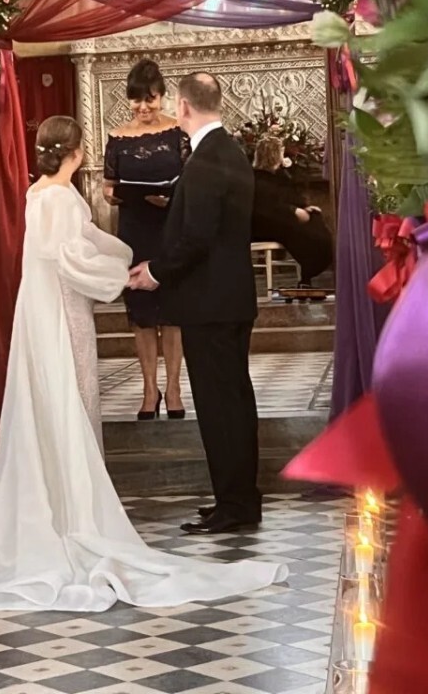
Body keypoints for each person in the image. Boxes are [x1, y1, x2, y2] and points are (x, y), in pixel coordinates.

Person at [0, 116, 286, 611]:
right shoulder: (58, 198)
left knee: (55, 405)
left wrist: (120, 260)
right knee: (72, 400)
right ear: (77, 154)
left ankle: (57, 504)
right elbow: (71, 259)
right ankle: (75, 514)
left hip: (41, 310)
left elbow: (75, 248)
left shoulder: (38, 194)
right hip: (61, 311)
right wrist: (120, 277)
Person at [130, 74, 262, 535]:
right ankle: (239, 499)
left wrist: (155, 272)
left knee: (221, 406)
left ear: (183, 106)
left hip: (210, 303)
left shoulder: (207, 159)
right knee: (234, 402)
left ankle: (235, 505)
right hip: (228, 299)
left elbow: (196, 237)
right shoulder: (230, 151)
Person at [103, 59, 187, 419]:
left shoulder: (179, 133)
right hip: (135, 230)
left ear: (163, 97)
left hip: (171, 229)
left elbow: (194, 182)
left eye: (150, 100)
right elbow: (107, 187)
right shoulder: (117, 137)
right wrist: (113, 195)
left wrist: (173, 197)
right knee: (142, 317)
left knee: (171, 314)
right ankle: (149, 389)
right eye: (137, 101)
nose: (144, 108)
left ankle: (173, 388)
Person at [252, 136, 333, 288]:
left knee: (315, 219)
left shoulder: (279, 175)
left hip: (281, 218)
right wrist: (293, 211)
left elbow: (288, 196)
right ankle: (307, 275)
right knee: (304, 233)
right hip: (265, 224)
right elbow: (266, 207)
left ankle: (308, 275)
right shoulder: (257, 178)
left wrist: (302, 208)